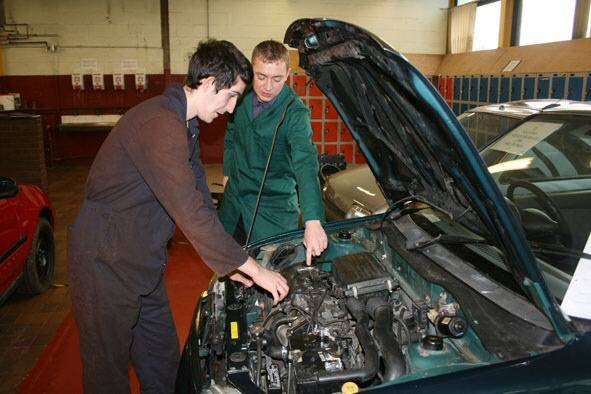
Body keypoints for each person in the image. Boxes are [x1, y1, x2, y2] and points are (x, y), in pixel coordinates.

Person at [67, 39, 289, 394]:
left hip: (142, 262)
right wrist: (254, 268)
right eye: (231, 95)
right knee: (107, 375)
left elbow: (202, 201)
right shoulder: (159, 125)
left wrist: (232, 263)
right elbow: (189, 213)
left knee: (164, 363)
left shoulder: (185, 126)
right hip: (104, 262)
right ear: (208, 82)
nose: (232, 109)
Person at [219, 40, 328, 265]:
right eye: (261, 76)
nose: (268, 86)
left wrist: (313, 220)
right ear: (251, 71)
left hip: (272, 209)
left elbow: (305, 162)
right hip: (235, 202)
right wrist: (228, 170)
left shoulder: (295, 113)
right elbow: (231, 134)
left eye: (276, 79)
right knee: (226, 266)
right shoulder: (240, 96)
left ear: (288, 74)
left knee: (271, 274)